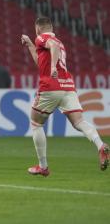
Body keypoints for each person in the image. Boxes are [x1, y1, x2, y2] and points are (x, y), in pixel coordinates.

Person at [21, 16, 109, 177]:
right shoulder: (60, 43)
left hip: (50, 86)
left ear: (38, 28)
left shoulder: (43, 37)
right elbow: (41, 63)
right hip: (67, 86)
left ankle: (43, 166)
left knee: (36, 124)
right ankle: (100, 145)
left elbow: (51, 47)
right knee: (79, 122)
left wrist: (53, 67)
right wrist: (30, 45)